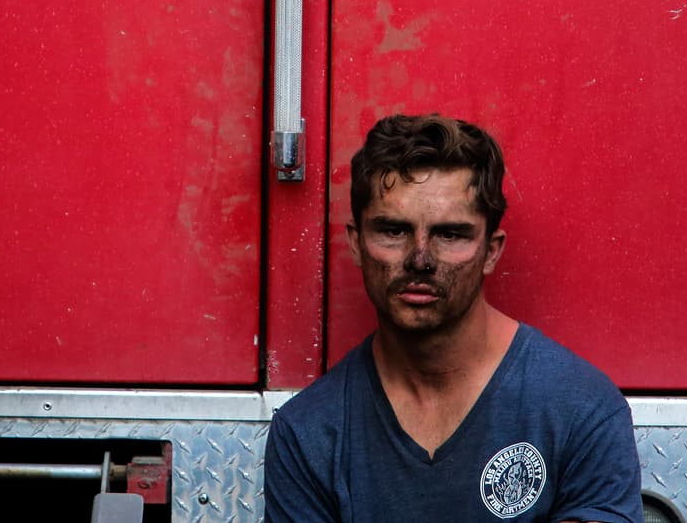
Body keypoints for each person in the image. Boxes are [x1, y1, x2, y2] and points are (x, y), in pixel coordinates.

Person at [264, 114, 643, 523]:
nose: (420, 259)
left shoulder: (579, 409)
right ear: (356, 244)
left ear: (492, 251)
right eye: (393, 230)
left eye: (451, 234)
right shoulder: (308, 433)